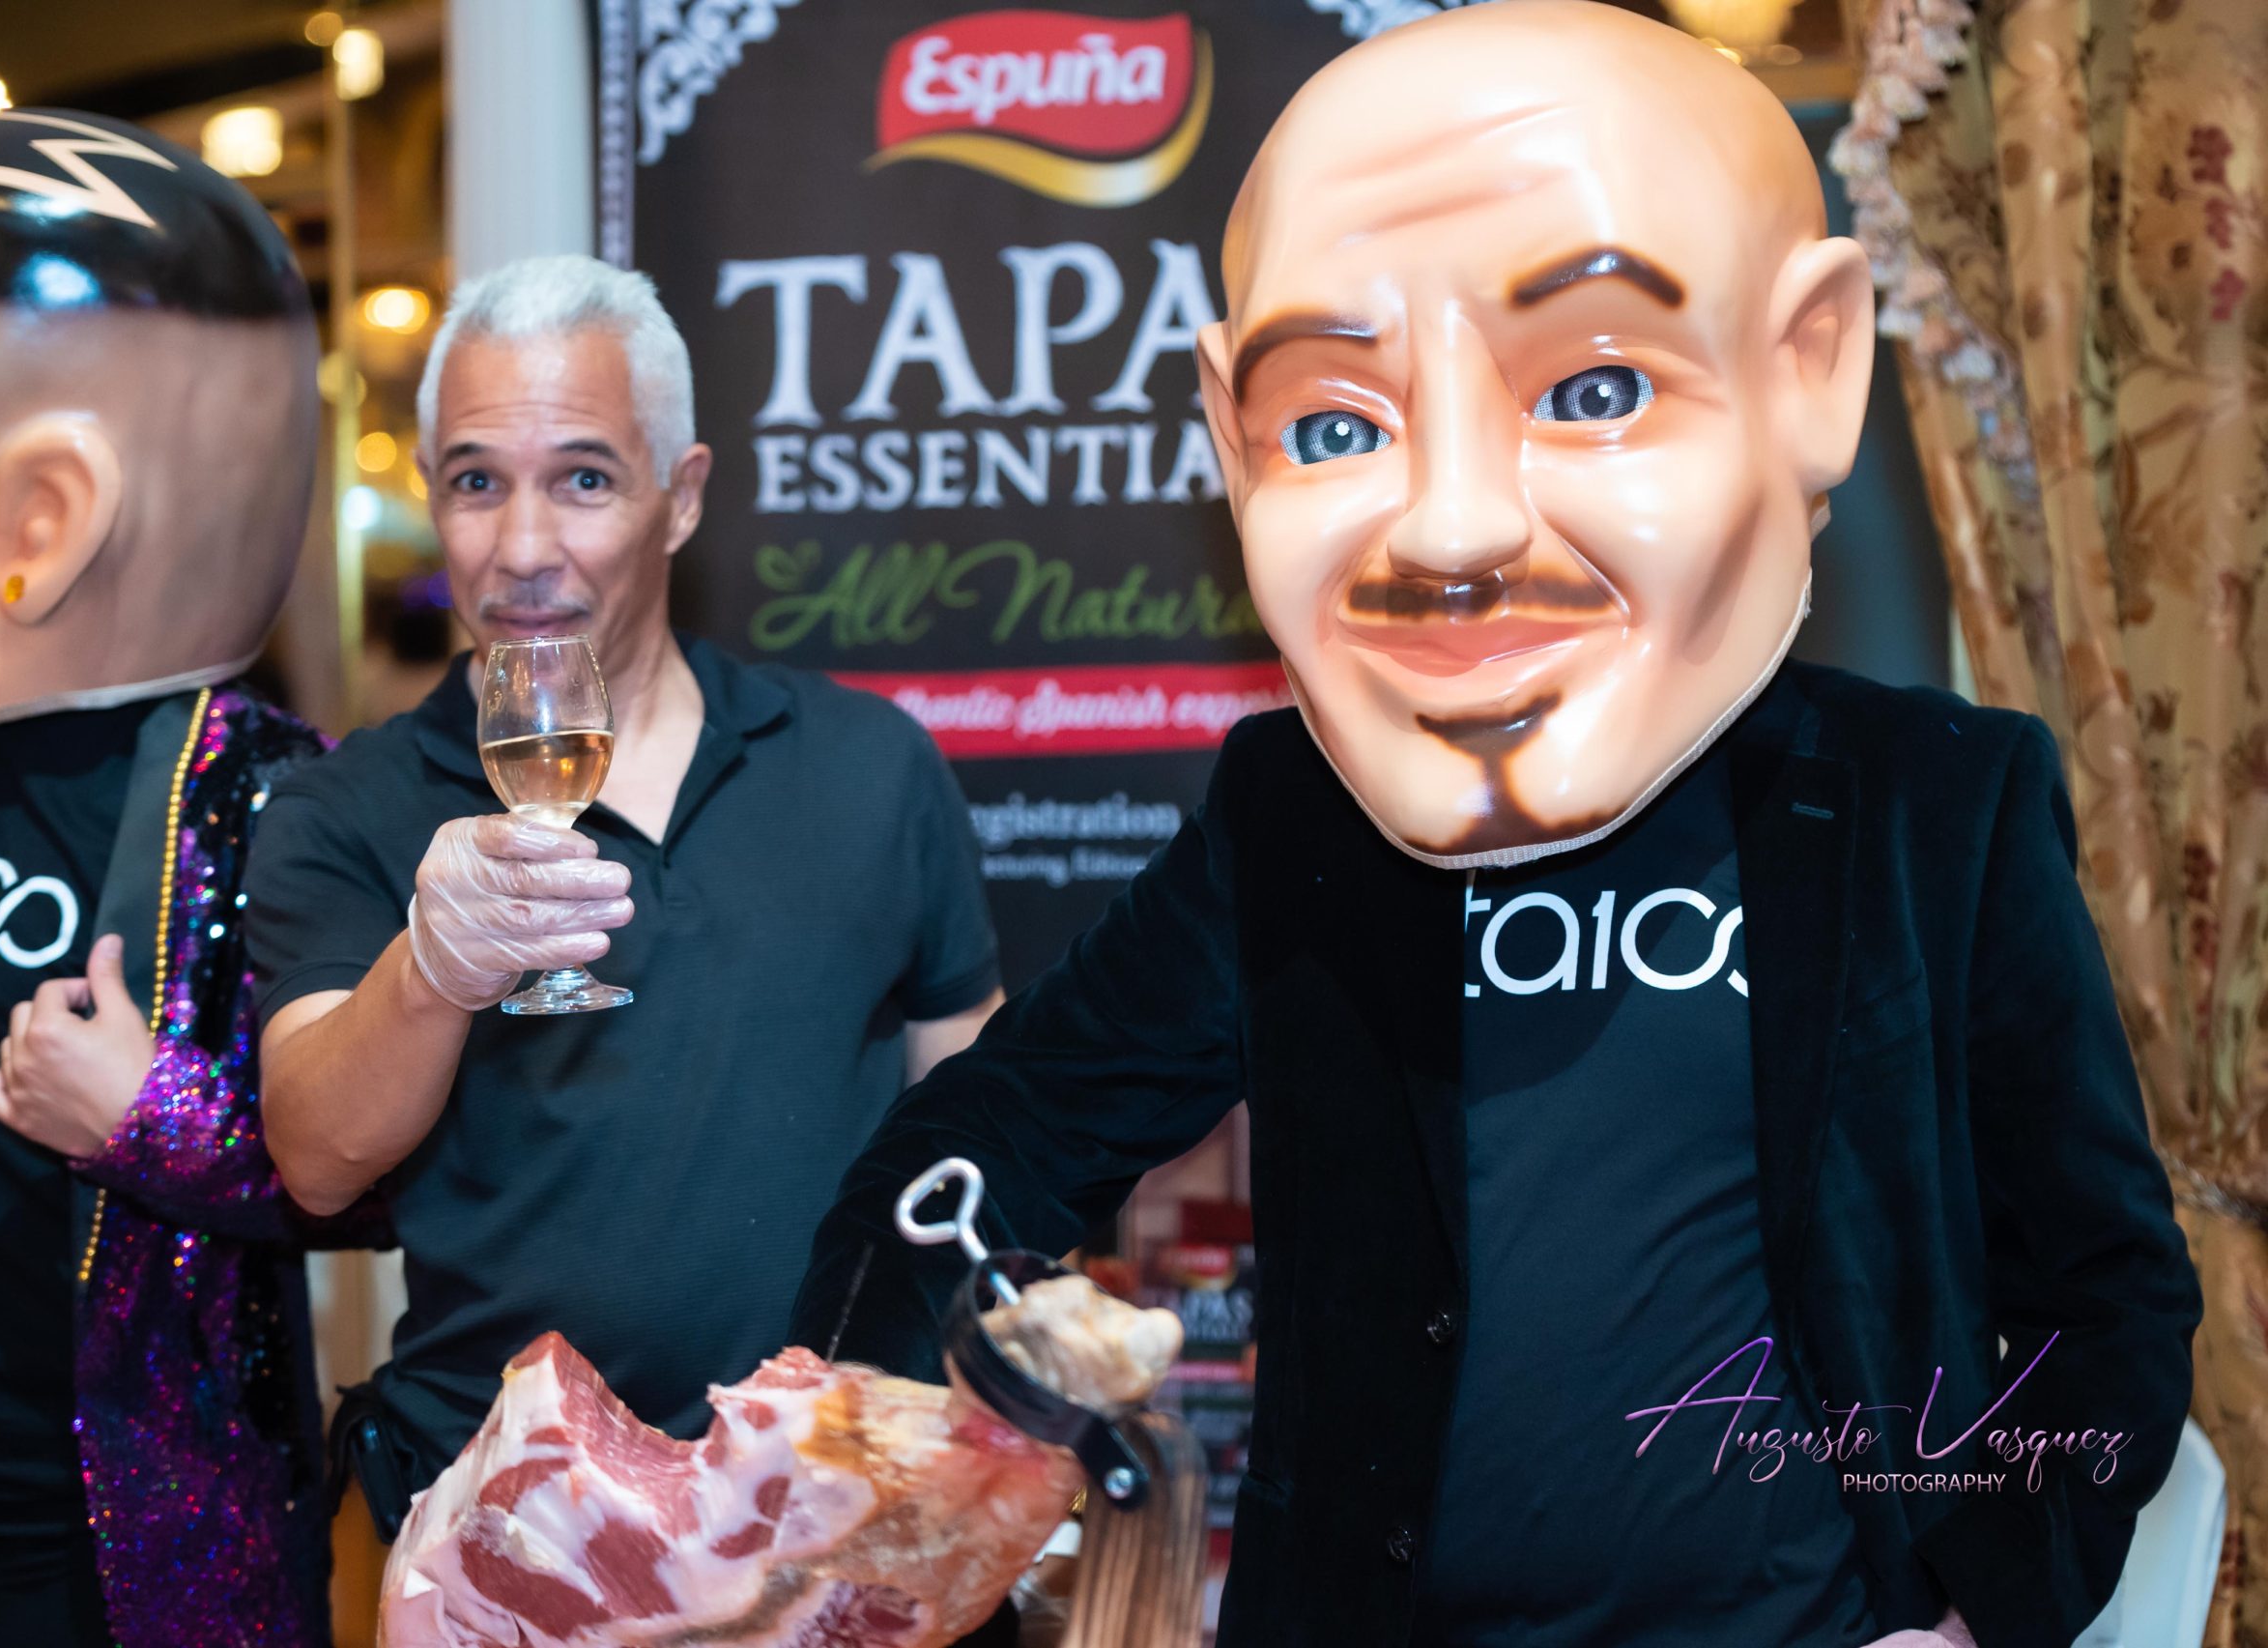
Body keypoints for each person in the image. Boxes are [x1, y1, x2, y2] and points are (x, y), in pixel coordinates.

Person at [788, 10, 2202, 1648]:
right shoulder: (1293, 819)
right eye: (1336, 427)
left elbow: (2099, 1291)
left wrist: (1971, 1612)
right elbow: (1000, 1136)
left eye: (1596, 388)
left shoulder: (1930, 804)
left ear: (1809, 367)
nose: (1454, 527)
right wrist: (843, 1448)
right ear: (1233, 435)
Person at [244, 254, 1006, 1532]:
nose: (522, 548)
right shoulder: (346, 805)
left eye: (583, 479)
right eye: (476, 483)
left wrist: (996, 1382)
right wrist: (430, 968)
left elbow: (974, 1107)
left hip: (838, 1504)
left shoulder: (868, 763)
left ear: (681, 495)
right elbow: (317, 1159)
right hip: (510, 1528)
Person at [0, 111, 334, 1647]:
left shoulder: (261, 802)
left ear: (45, 522)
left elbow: (369, 1169)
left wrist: (150, 1115)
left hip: (91, 1574)